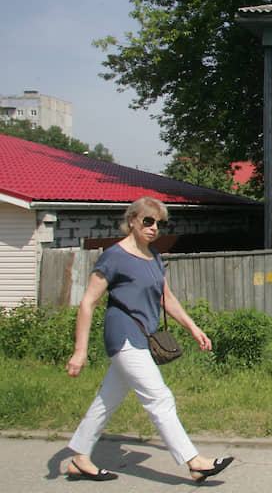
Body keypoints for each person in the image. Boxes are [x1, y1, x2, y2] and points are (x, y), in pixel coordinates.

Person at [65, 196, 233, 483]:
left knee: (107, 399)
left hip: (144, 336)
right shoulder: (114, 256)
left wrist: (193, 328)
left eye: (159, 223)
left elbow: (166, 298)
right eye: (148, 221)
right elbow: (87, 303)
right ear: (131, 221)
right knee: (159, 397)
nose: (154, 227)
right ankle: (194, 462)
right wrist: (79, 351)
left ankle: (80, 457)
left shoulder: (154, 257)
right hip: (124, 336)